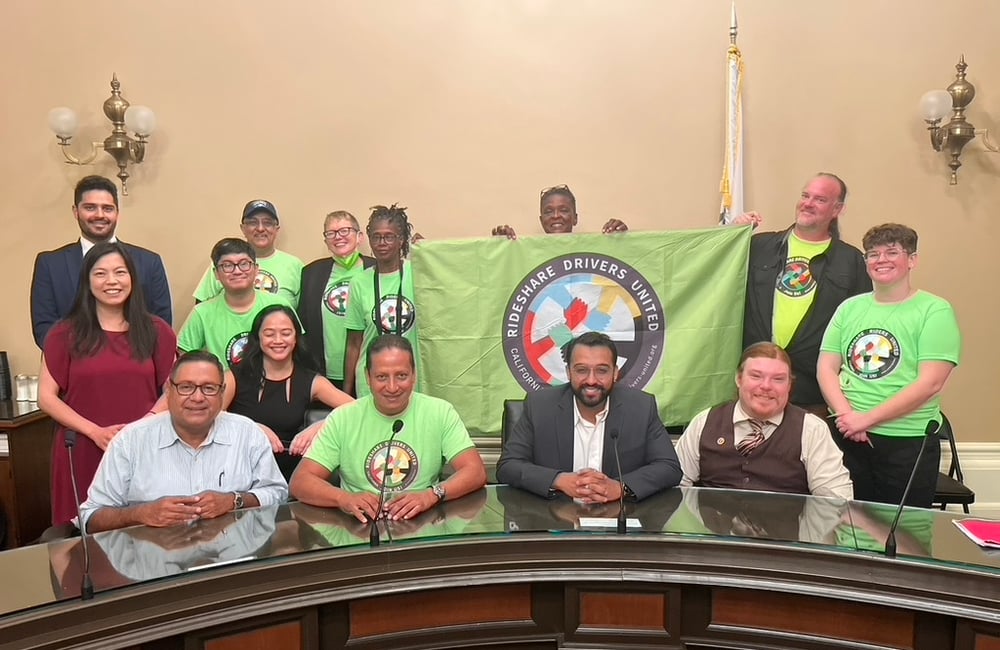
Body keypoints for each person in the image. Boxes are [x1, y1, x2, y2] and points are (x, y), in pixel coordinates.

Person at [818, 223, 961, 507]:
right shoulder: (849, 308)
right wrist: (847, 417)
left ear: (912, 260)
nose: (881, 259)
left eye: (892, 252)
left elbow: (930, 382)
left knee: (904, 527)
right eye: (873, 254)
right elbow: (826, 367)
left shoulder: (934, 310)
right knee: (847, 523)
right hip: (846, 434)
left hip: (906, 440)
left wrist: (867, 419)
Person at [37, 242, 176, 526]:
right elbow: (46, 398)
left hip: (142, 446)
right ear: (87, 282)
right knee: (82, 536)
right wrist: (95, 432)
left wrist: (140, 426)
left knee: (145, 531)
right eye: (100, 273)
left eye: (120, 272)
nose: (111, 281)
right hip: (83, 447)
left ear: (132, 279)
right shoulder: (64, 333)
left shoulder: (157, 331)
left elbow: (174, 390)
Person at [79, 351, 288, 533]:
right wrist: (140, 514)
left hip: (233, 560)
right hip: (155, 563)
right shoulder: (130, 441)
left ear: (222, 393)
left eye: (209, 388)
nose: (197, 398)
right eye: (186, 387)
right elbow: (90, 517)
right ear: (169, 391)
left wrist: (234, 500)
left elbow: (277, 493)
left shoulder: (247, 433)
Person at [291, 335, 487, 523]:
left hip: (423, 523)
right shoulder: (343, 418)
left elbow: (475, 471)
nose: (392, 387)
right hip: (359, 527)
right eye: (381, 377)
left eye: (401, 376)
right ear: (368, 377)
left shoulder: (440, 412)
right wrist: (344, 498)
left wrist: (432, 495)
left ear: (414, 375)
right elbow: (300, 482)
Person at [496, 331, 681, 502]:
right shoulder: (540, 407)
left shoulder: (641, 407)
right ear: (568, 372)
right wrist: (558, 480)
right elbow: (508, 466)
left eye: (602, 370)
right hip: (555, 519)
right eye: (581, 370)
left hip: (618, 519)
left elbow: (669, 467)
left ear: (615, 373)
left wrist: (621, 487)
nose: (591, 380)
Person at [740, 173, 870, 414]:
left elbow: (861, 330)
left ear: (837, 209)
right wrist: (731, 235)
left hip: (814, 396)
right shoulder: (758, 247)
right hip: (756, 388)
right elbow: (713, 277)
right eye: (805, 195)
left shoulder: (852, 262)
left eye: (820, 199)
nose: (808, 203)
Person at [674, 342, 852, 499]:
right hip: (712, 527)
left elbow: (836, 501)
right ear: (738, 379)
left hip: (785, 527)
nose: (766, 386)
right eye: (756, 376)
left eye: (778, 379)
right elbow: (675, 486)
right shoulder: (704, 422)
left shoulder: (812, 429)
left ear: (789, 385)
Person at [31, 175, 172, 349]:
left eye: (107, 208)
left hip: (135, 361)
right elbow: (44, 329)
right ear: (76, 211)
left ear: (117, 213)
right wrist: (86, 359)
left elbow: (161, 326)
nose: (99, 215)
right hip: (72, 363)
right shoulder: (50, 264)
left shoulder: (149, 263)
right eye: (90, 208)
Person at [224, 304, 354, 481]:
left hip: (289, 474)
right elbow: (211, 417)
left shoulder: (310, 380)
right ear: (258, 337)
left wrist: (320, 426)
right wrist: (251, 427)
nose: (278, 340)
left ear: (296, 338)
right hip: (240, 471)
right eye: (269, 334)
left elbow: (357, 410)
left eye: (286, 333)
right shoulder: (234, 377)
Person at [343, 204, 421, 397]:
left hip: (410, 378)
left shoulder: (419, 273)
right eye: (376, 237)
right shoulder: (359, 282)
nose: (382, 243)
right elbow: (354, 343)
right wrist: (346, 394)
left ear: (401, 239)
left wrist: (428, 253)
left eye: (389, 237)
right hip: (371, 382)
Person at [177, 238, 289, 368]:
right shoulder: (202, 313)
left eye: (244, 264)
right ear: (216, 273)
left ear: (256, 269)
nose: (237, 271)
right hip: (221, 380)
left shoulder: (279, 306)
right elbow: (184, 362)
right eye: (227, 265)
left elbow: (297, 349)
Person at [298, 210, 375, 389]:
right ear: (326, 241)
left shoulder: (376, 269)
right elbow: (303, 323)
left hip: (368, 371)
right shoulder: (311, 273)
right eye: (331, 233)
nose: (338, 237)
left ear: (359, 236)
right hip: (324, 372)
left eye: (345, 230)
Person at [192, 199, 304, 305]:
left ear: (276, 229)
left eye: (267, 223)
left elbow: (305, 311)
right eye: (253, 222)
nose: (260, 228)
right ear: (243, 228)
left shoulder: (295, 265)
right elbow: (202, 306)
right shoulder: (224, 264)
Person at [491, 184, 628, 239]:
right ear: (541, 220)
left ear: (575, 218)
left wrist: (621, 240)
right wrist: (501, 247)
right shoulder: (526, 255)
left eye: (563, 210)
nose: (556, 216)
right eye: (548, 211)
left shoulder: (592, 252)